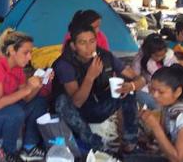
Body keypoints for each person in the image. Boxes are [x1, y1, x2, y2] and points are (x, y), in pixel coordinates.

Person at [53, 23, 144, 152]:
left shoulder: (104, 56)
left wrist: (132, 86)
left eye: (92, 41)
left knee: (128, 91)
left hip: (98, 105)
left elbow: (139, 79)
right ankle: (96, 145)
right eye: (82, 43)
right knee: (61, 101)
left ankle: (130, 143)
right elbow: (76, 103)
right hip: (77, 114)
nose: (88, 47)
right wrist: (90, 76)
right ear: (73, 46)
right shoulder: (65, 64)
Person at [0, 29, 51, 162]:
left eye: (31, 53)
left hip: (3, 115)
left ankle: (29, 147)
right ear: (11, 51)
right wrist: (28, 89)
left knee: (40, 101)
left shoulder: (18, 69)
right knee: (15, 112)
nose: (30, 57)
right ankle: (8, 153)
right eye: (25, 53)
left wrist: (37, 85)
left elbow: (27, 98)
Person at [132, 33, 178, 109]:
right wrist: (143, 81)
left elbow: (176, 74)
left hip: (167, 88)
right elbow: (134, 76)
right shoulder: (140, 59)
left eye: (162, 55)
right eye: (156, 56)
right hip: (147, 89)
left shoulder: (170, 58)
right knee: (158, 104)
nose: (159, 58)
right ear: (148, 53)